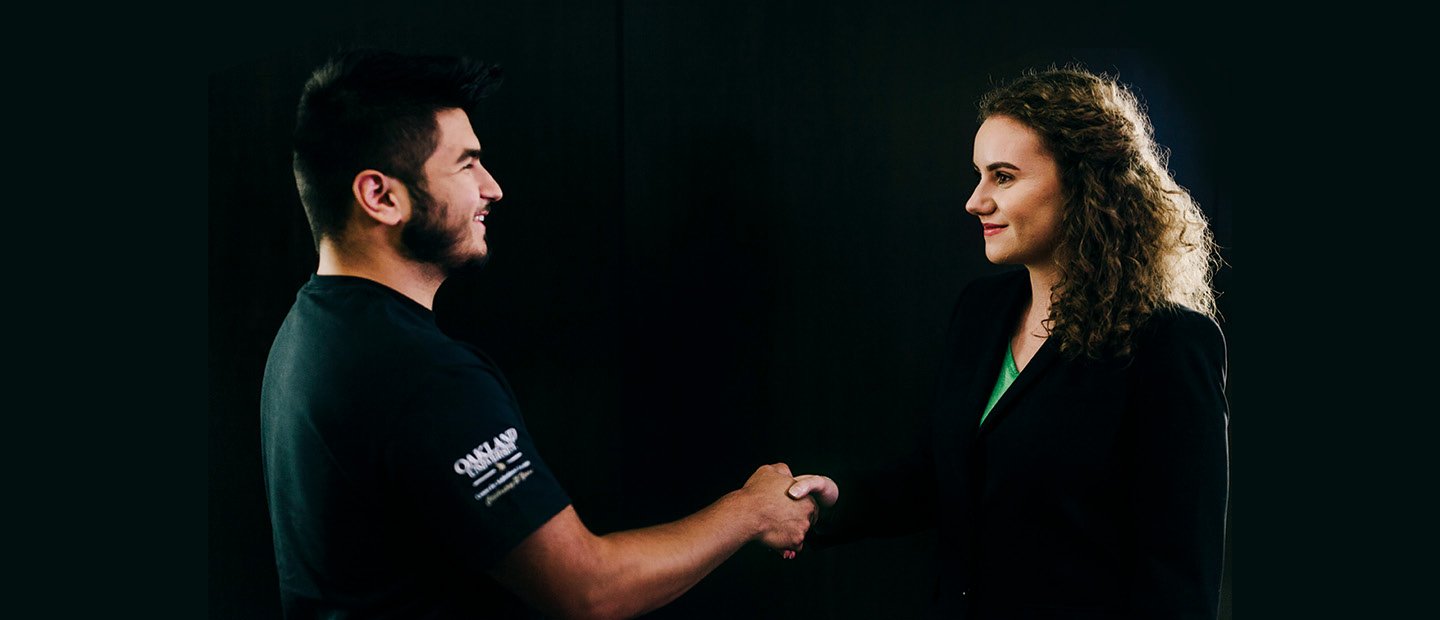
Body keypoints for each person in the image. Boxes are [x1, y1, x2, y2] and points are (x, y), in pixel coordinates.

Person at [260, 49, 822, 620]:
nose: (493, 188)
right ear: (381, 197)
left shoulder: (306, 333)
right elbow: (588, 590)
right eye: (465, 165)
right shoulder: (425, 375)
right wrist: (749, 511)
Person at [788, 65, 1230, 618]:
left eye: (1002, 176)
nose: (975, 201)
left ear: (1082, 183)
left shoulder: (1169, 343)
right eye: (978, 175)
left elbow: (1179, 580)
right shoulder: (981, 311)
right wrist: (837, 499)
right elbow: (945, 477)